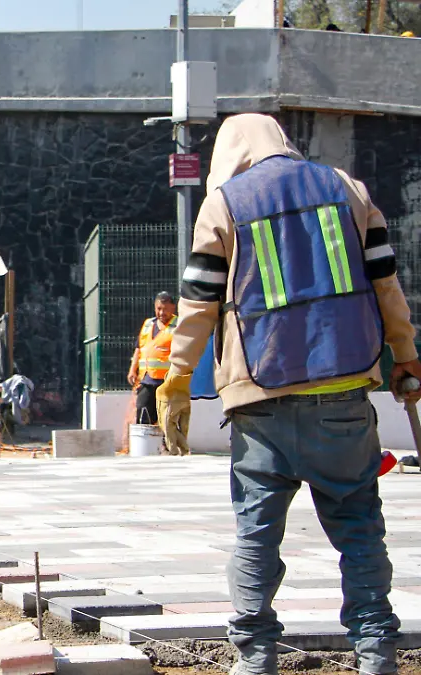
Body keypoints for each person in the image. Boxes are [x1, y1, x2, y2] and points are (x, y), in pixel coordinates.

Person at [157, 113, 421, 675]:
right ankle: (377, 655)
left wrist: (176, 380)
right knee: (359, 530)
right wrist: (405, 356)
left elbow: (199, 302)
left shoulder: (225, 204)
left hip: (260, 401)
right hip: (346, 396)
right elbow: (386, 282)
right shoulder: (348, 190)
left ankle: (255, 658)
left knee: (256, 534)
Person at [126, 291, 178, 427]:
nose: (161, 313)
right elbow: (139, 349)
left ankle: (166, 446)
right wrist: (132, 370)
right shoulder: (148, 324)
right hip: (146, 380)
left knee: (166, 419)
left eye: (165, 309)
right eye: (159, 309)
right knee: (143, 415)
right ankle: (146, 447)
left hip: (166, 382)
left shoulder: (178, 326)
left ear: (173, 308)